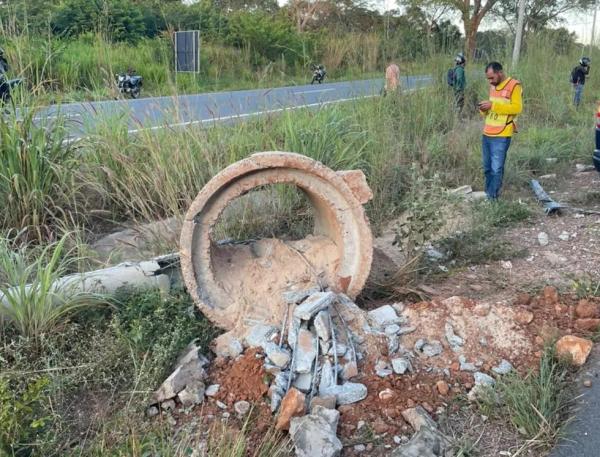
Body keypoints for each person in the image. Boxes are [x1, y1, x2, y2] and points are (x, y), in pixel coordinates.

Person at [478, 61, 523, 200]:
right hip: (487, 132)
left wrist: (492, 105)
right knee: (487, 168)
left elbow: (517, 108)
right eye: (488, 78)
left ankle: (492, 198)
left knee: (496, 168)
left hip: (502, 134)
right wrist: (483, 109)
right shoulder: (493, 86)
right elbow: (492, 109)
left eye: (492, 77)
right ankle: (488, 194)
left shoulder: (514, 85)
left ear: (500, 73)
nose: (490, 81)